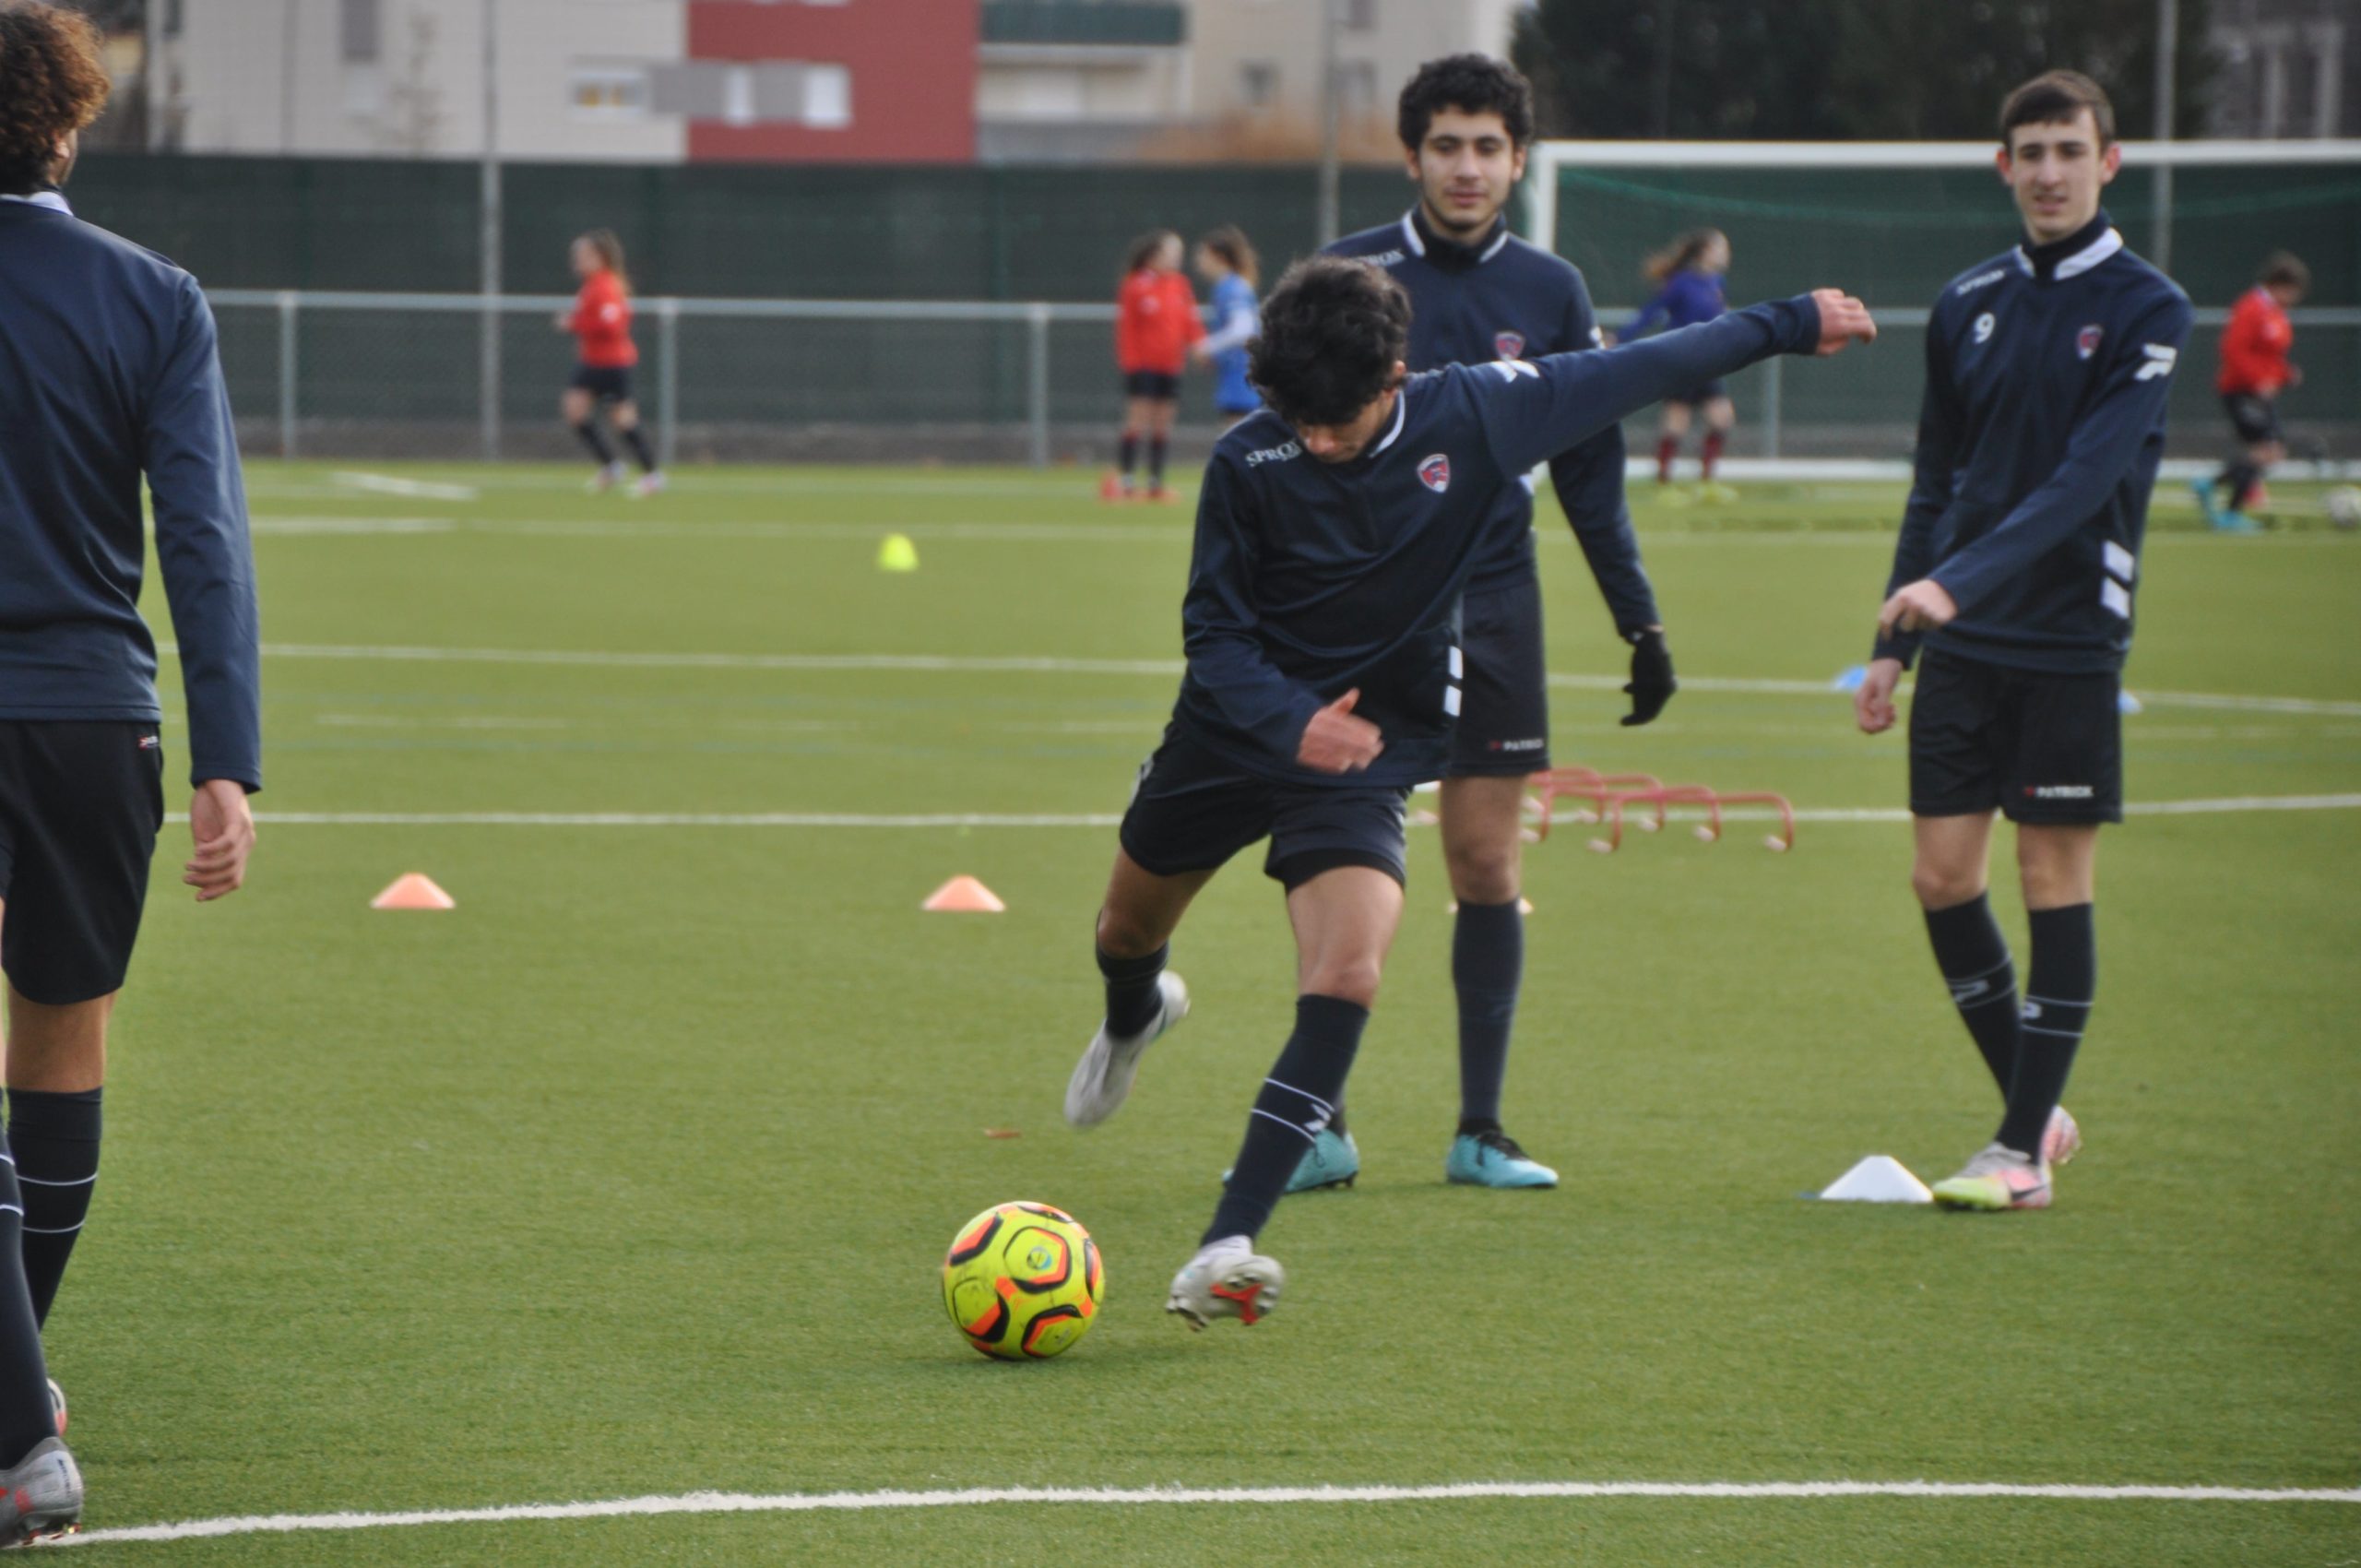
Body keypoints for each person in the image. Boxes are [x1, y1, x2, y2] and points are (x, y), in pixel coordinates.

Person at [1062, 255, 1872, 1328]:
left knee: (1347, 972)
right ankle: (1135, 1014)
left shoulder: (1484, 415)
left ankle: (1228, 1239)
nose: (1312, 438)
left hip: (1367, 749)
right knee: (1125, 930)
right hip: (1232, 731)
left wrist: (1789, 313)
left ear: (1396, 377)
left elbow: (1642, 364)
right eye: (1293, 416)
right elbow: (1211, 635)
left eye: (1335, 420)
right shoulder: (1246, 457)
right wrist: (1288, 717)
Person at [1291, 53, 1669, 1195]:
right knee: (1334, 855)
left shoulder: (1551, 292)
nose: (1467, 166)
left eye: (1487, 147)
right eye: (1446, 145)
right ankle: (1320, 1123)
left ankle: (1481, 1130)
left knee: (1484, 855)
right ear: (1412, 156)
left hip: (1497, 598)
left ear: (1516, 161)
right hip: (1357, 608)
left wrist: (1636, 618)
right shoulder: (1343, 273)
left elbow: (1590, 472)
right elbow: (1287, 447)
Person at [0, 0, 264, 1538]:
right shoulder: (155, 295)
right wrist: (229, 760)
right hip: (100, 722)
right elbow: (205, 540)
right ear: (69, 125)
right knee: (60, 1046)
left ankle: (20, 1421)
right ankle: (19, 1407)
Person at [1854, 70, 2191, 1212]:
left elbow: (2084, 479)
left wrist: (1957, 582)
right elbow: (1936, 478)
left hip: (2064, 633)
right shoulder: (1967, 301)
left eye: (2068, 150)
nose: (2048, 172)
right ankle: (2034, 1109)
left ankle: (2010, 1150)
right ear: (2003, 166)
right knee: (1941, 876)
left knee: (2050, 872)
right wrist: (1893, 634)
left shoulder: (2150, 306)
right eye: (2029, 152)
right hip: (1960, 629)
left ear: (2109, 164)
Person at [2193, 253, 2307, 532]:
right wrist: (2257, 380)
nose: (2293, 298)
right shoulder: (2251, 308)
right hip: (2240, 390)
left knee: (2271, 450)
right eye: (2292, 291)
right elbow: (2234, 350)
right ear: (2279, 285)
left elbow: (2271, 355)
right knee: (2264, 449)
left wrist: (2285, 374)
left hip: (2259, 394)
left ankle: (2211, 485)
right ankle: (2229, 512)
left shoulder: (2275, 313)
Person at [1622, 230, 1737, 501]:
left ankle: (1707, 482)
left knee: (1722, 419)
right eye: (1720, 248)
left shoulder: (1717, 282)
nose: (1725, 253)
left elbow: (1721, 321)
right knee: (1677, 422)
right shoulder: (1681, 282)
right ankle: (1664, 484)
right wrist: (1621, 337)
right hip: (1683, 358)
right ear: (1705, 252)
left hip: (1709, 361)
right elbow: (1651, 312)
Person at [556, 230, 663, 497]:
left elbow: (612, 325)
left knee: (623, 420)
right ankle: (611, 466)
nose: (577, 261)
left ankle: (652, 475)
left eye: (583, 256)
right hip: (591, 363)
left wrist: (573, 324)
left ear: (600, 257)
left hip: (613, 364)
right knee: (574, 410)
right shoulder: (591, 286)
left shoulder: (607, 286)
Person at [1103, 231, 1203, 503]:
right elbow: (1126, 330)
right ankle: (1126, 481)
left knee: (1163, 424)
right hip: (1142, 365)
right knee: (1137, 421)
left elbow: (1189, 322)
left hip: (1170, 365)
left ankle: (1155, 483)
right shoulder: (1135, 285)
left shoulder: (1180, 285)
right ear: (1153, 255)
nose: (1176, 259)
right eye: (1171, 253)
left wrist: (1199, 344)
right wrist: (1131, 363)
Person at [1191, 227, 1262, 430]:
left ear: (1218, 257)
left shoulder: (1232, 288)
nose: (1198, 262)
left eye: (1203, 254)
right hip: (1234, 372)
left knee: (1239, 432)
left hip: (1241, 374)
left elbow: (1243, 328)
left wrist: (1206, 346)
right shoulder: (1228, 287)